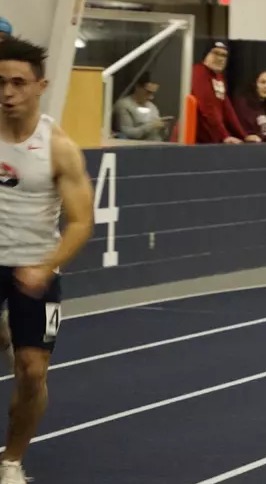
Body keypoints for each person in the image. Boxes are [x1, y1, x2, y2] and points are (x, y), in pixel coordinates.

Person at [0, 37, 95, 483]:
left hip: (35, 268)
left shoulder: (58, 147)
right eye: (0, 82)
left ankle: (11, 460)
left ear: (41, 86)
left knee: (32, 371)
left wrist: (46, 266)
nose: (7, 92)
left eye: (19, 83)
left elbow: (80, 221)